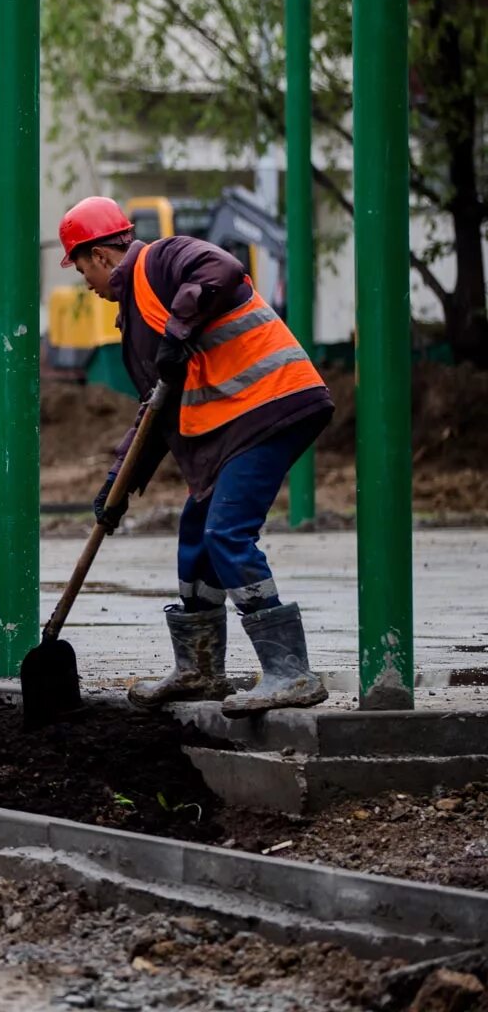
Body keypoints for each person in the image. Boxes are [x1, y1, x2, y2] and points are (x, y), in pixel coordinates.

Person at [59, 196, 332, 717]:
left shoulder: (162, 259)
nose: (85, 283)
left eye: (80, 269)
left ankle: (292, 673)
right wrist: (117, 485)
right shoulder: (135, 318)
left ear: (98, 255)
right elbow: (155, 413)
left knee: (226, 533)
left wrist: (179, 329)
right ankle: (200, 670)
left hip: (273, 404)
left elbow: (223, 268)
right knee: (197, 537)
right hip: (236, 424)